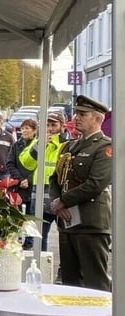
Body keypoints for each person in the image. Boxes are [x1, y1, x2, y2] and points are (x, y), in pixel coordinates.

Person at [49, 95, 112, 291]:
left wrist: (63, 201)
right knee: (70, 283)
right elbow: (55, 178)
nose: (76, 118)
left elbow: (96, 183)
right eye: (76, 113)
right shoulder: (69, 146)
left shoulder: (105, 146)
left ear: (98, 119)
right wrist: (56, 202)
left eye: (83, 114)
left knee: (95, 284)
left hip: (90, 223)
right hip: (67, 223)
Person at [19, 112, 66, 251]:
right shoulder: (39, 142)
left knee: (66, 238)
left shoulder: (67, 144)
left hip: (60, 197)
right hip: (39, 195)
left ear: (62, 126)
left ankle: (62, 270)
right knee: (39, 237)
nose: (50, 128)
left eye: (54, 125)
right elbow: (26, 163)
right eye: (47, 125)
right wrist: (40, 145)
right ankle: (40, 267)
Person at [6, 118, 38, 249]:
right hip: (18, 186)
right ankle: (16, 240)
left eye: (27, 128)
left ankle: (29, 243)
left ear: (34, 131)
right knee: (16, 215)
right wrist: (19, 180)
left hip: (32, 186)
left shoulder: (38, 145)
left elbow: (39, 166)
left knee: (31, 216)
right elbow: (10, 163)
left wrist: (28, 180)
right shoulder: (16, 145)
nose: (24, 131)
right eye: (23, 128)